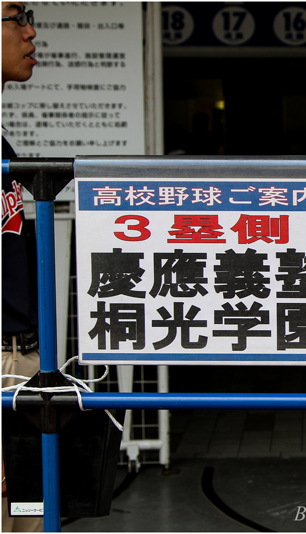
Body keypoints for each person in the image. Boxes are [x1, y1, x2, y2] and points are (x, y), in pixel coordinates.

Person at [2, 2, 43, 532]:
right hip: (5, 364)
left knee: (31, 515)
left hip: (21, 361)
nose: (32, 30)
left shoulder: (3, 142)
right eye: (16, 16)